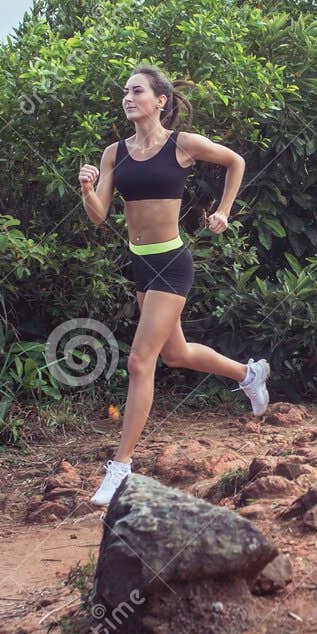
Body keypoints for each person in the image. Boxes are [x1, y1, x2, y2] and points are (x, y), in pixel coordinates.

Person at [77, 65, 271, 506]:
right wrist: (87, 188)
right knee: (176, 354)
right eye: (125, 91)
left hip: (171, 262)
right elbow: (99, 215)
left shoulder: (181, 145)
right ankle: (249, 373)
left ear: (160, 100)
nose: (128, 97)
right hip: (140, 265)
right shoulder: (114, 153)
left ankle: (121, 467)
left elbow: (235, 161)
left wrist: (224, 211)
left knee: (139, 361)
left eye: (137, 91)